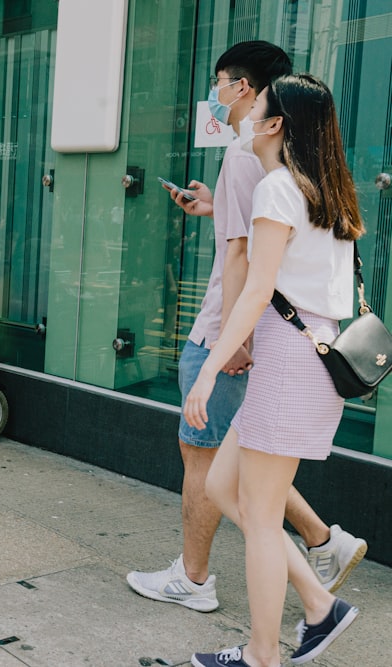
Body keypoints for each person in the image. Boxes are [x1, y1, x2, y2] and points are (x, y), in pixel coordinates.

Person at [127, 42, 366, 616]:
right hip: (294, 346)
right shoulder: (311, 178)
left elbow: (244, 263)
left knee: (219, 473)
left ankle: (203, 581)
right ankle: (320, 553)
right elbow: (262, 242)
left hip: (252, 337)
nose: (219, 96)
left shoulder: (256, 163)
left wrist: (226, 347)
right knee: (243, 476)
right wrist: (214, 208)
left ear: (249, 93)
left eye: (221, 83)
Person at [185, 74, 364, 667]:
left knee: (260, 517)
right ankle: (319, 604)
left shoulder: (279, 188)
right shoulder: (318, 188)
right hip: (308, 356)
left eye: (255, 103)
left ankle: (262, 655)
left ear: (274, 123)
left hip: (291, 360)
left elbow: (258, 289)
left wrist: (210, 370)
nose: (243, 110)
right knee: (220, 486)